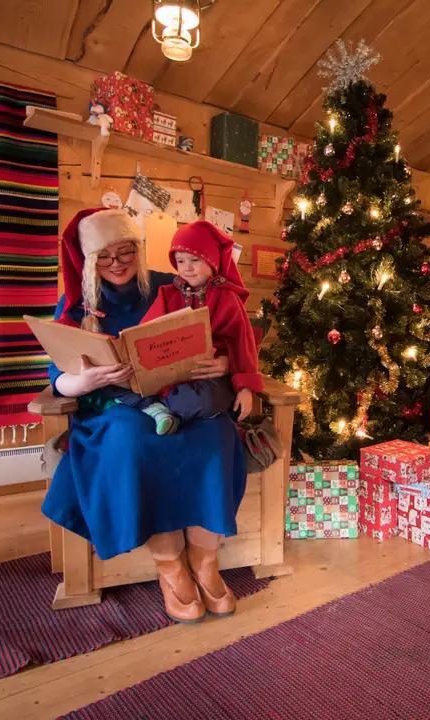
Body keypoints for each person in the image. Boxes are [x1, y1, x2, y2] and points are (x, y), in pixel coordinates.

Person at [41, 207, 245, 622]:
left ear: (138, 248)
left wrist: (225, 365)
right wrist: (86, 380)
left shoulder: (172, 284)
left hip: (179, 393)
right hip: (115, 405)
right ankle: (171, 566)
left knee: (216, 433)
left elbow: (222, 332)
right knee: (133, 440)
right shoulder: (77, 301)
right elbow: (57, 373)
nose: (116, 264)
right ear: (87, 258)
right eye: (104, 255)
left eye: (125, 252)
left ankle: (205, 560)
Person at [133, 220, 264, 433]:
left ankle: (158, 407)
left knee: (204, 400)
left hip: (210, 377)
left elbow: (242, 344)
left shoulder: (227, 298)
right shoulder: (168, 294)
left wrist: (245, 387)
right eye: (180, 261)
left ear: (212, 261)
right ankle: (159, 406)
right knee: (119, 386)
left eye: (195, 259)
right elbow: (146, 331)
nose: (187, 267)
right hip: (172, 377)